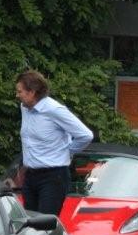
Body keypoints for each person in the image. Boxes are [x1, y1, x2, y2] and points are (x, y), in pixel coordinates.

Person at [16, 70, 93, 215]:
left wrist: (67, 152)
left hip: (53, 176)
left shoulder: (54, 109)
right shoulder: (25, 108)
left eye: (20, 91)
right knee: (29, 225)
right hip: (30, 175)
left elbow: (85, 135)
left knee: (45, 225)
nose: (17, 95)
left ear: (31, 92)